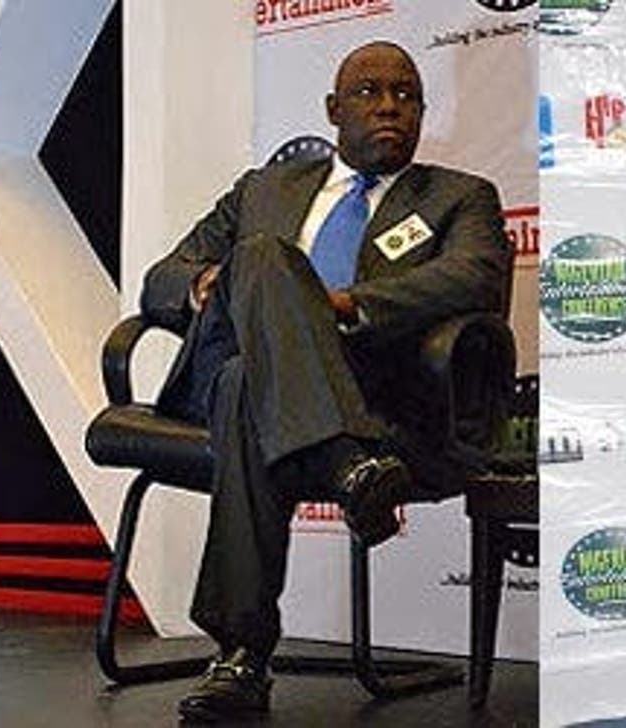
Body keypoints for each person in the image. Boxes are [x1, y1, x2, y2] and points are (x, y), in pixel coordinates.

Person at [138, 41, 512, 722]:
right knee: (260, 257)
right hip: (277, 381)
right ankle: (348, 464)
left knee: (245, 386)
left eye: (406, 95)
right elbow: (161, 279)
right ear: (333, 110)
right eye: (369, 92)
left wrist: (341, 304)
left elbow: (474, 278)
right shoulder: (263, 190)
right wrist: (209, 283)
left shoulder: (459, 197)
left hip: (373, 392)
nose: (389, 106)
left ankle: (241, 656)